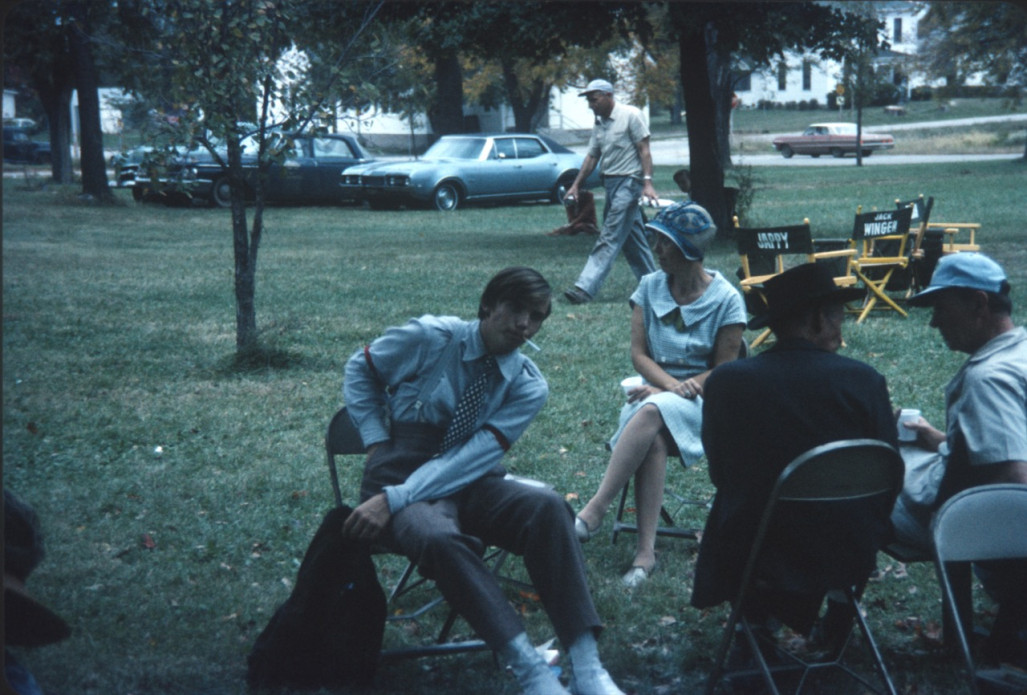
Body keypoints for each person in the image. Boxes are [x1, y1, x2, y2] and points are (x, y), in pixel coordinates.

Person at [342, 267, 626, 695]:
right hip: (400, 471)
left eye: (536, 316)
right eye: (514, 309)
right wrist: (376, 441)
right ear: (487, 305)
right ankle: (531, 671)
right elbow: (359, 368)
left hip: (468, 476)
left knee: (548, 507)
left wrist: (396, 498)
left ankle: (588, 669)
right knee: (437, 537)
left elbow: (473, 458)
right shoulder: (431, 337)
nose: (523, 325)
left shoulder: (529, 385)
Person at [692, 263, 897, 641]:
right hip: (847, 542)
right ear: (818, 319)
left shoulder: (727, 382)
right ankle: (838, 608)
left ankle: (754, 625)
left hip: (757, 546)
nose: (840, 328)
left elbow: (720, 472)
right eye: (838, 318)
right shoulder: (864, 381)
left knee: (737, 502)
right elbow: (886, 473)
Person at [573, 202, 746, 587]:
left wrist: (673, 390)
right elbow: (638, 354)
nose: (655, 248)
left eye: (664, 242)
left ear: (687, 250)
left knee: (650, 412)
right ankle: (644, 555)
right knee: (651, 428)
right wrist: (666, 387)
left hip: (704, 401)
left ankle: (594, 510)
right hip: (651, 394)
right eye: (654, 239)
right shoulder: (650, 286)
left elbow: (726, 371)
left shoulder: (727, 299)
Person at [891, 252, 1027, 668]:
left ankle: (835, 628)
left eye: (941, 311)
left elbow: (1015, 481)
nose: (934, 324)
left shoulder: (989, 379)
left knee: (866, 491)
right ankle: (959, 629)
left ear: (978, 305)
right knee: (912, 447)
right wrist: (946, 441)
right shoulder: (1019, 351)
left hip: (981, 524)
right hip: (973, 495)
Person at [562, 79, 657, 305]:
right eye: (588, 101)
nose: (590, 105)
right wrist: (575, 185)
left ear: (607, 95)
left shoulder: (631, 115)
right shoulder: (600, 124)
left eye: (593, 99)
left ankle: (585, 288)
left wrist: (647, 183)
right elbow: (592, 157)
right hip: (612, 184)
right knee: (634, 242)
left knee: (610, 235)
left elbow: (644, 150)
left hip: (630, 182)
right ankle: (656, 286)